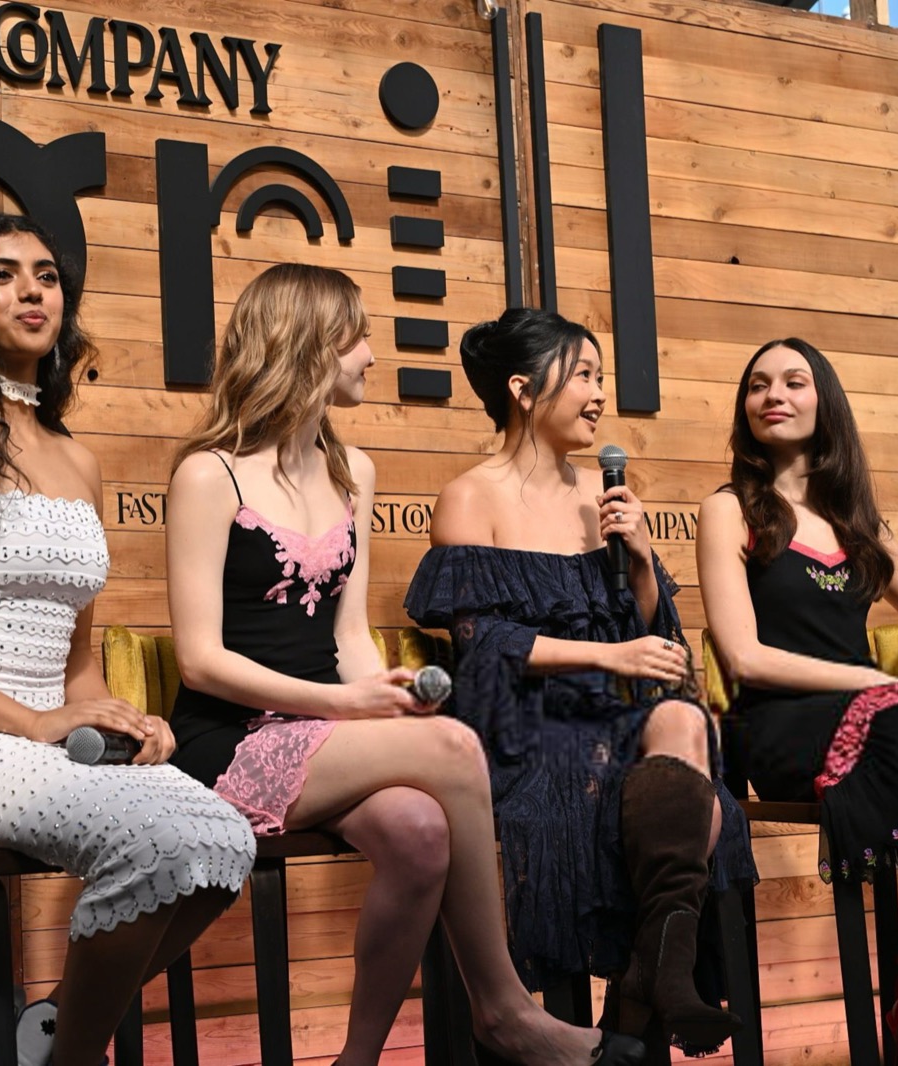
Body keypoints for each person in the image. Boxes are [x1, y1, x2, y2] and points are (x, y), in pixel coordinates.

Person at [166, 268, 644, 1066]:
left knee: (421, 834)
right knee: (456, 745)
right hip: (230, 738)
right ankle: (504, 1010)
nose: (370, 356)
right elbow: (200, 662)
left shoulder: (353, 472)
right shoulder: (209, 474)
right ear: (308, 344)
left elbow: (350, 635)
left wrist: (385, 698)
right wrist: (347, 705)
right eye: (356, 337)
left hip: (326, 733)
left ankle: (356, 1060)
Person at [0, 211, 256, 1066]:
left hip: (47, 741)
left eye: (47, 275)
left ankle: (45, 1040)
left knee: (225, 840)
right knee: (159, 842)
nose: (32, 291)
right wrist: (31, 723)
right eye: (2, 275)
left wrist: (122, 721)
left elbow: (75, 663)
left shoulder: (79, 461)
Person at [404, 308, 757, 1055]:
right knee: (650, 795)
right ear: (523, 389)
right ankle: (644, 995)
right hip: (526, 721)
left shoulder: (604, 493)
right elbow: (482, 645)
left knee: (687, 727)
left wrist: (639, 556)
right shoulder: (471, 496)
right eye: (584, 376)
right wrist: (610, 658)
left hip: (621, 710)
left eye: (602, 377)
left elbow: (656, 636)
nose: (599, 395)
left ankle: (649, 978)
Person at [698, 337, 898, 1066]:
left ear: (824, 401)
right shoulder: (730, 509)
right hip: (785, 727)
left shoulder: (854, 521)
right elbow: (743, 657)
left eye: (794, 381)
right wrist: (874, 685)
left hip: (880, 722)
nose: (773, 395)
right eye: (758, 385)